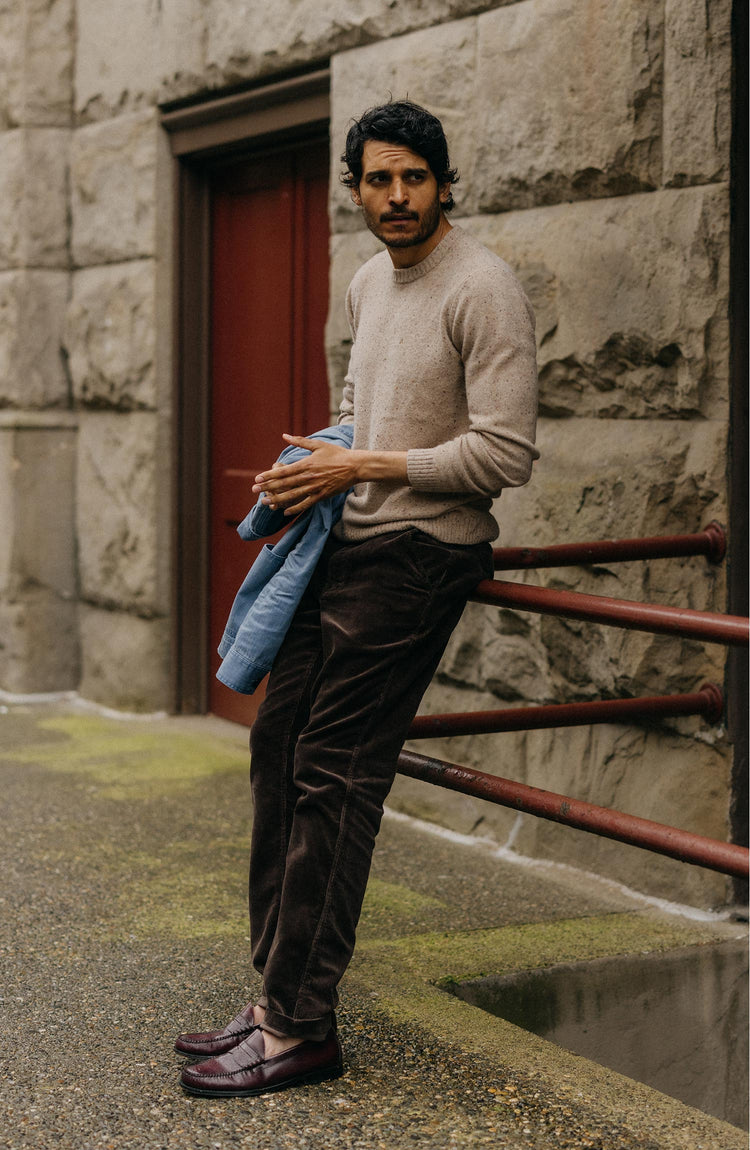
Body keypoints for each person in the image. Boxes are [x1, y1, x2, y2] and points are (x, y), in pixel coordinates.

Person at [177, 98, 539, 1098]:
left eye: (413, 177)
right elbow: (353, 413)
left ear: (443, 181)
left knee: (334, 767)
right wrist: (317, 463)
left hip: (426, 553)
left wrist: (365, 463)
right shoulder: (367, 281)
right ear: (356, 190)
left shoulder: (485, 287)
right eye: (377, 180)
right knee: (277, 744)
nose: (397, 196)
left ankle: (302, 1026)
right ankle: (273, 994)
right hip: (347, 538)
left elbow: (505, 453)